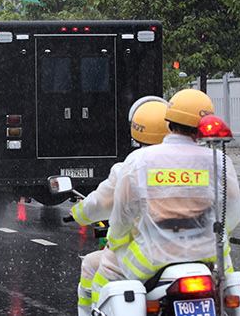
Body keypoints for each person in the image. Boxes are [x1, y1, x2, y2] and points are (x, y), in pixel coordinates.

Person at [89, 89, 240, 304]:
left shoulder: (139, 160)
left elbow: (123, 214)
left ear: (168, 121)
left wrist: (116, 240)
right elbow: (233, 212)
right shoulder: (218, 160)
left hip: (152, 259)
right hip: (210, 258)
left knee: (104, 279)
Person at [72, 96, 169, 316]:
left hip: (148, 256)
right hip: (200, 254)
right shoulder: (197, 161)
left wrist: (78, 212)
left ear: (136, 130)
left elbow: (108, 209)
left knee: (94, 271)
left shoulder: (130, 166)